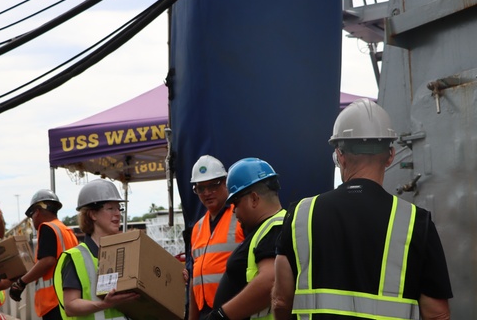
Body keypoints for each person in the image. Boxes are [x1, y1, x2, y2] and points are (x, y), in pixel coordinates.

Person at [272, 98, 453, 320]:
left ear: (340, 156)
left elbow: (281, 301)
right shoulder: (416, 222)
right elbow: (437, 314)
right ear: (390, 156)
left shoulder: (300, 215)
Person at [209, 158, 285, 320]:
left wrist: (222, 315)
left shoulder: (275, 228)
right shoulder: (266, 229)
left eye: (235, 203)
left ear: (254, 199)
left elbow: (271, 280)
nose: (234, 211)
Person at [53, 179, 139, 319]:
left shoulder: (127, 251)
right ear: (92, 214)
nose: (117, 213)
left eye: (119, 208)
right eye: (110, 208)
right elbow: (71, 306)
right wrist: (104, 304)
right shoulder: (76, 257)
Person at [188, 155, 245, 320]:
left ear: (225, 183)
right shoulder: (198, 227)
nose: (206, 193)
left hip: (233, 311)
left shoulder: (240, 215)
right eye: (200, 188)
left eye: (213, 185)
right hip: (206, 313)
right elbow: (194, 279)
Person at [9, 189, 78, 320]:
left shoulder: (47, 228)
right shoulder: (67, 231)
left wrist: (21, 283)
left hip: (53, 301)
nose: (33, 220)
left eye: (32, 215)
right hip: (69, 298)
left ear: (37, 211)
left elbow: (47, 261)